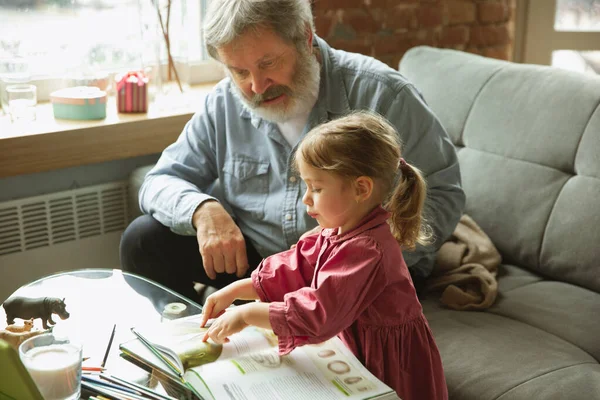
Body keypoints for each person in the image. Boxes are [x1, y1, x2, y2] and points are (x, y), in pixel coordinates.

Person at [119, 0, 465, 302]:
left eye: (268, 64)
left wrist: (358, 247)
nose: (255, 86)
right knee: (142, 241)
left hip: (357, 273)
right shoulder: (224, 102)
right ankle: (192, 348)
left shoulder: (383, 95)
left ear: (305, 37)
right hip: (262, 265)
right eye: (239, 71)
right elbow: (160, 181)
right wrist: (203, 210)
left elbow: (444, 197)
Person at [200, 111, 448, 400]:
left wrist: (247, 314)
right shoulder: (336, 230)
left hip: (386, 363)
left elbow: (319, 313)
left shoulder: (368, 250)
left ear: (361, 189)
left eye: (316, 188)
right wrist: (236, 290)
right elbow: (294, 267)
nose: (306, 198)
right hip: (353, 347)